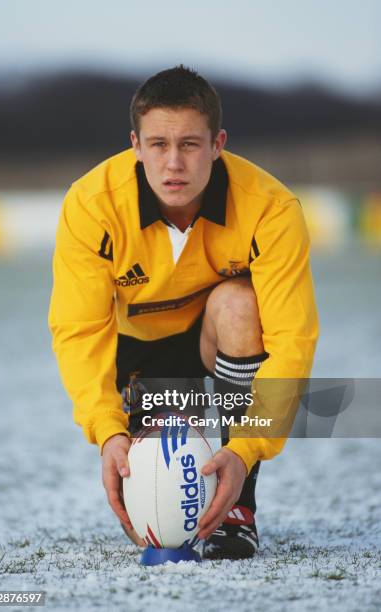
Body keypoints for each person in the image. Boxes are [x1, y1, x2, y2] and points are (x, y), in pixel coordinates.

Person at [49, 65, 319, 559]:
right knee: (161, 515)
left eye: (190, 145)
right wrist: (108, 431)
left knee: (239, 303)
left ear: (218, 144)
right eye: (158, 144)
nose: (174, 163)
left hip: (216, 341)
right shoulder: (91, 205)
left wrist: (245, 450)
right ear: (135, 144)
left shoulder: (271, 209)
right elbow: (80, 330)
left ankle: (239, 507)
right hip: (141, 356)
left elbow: (292, 341)